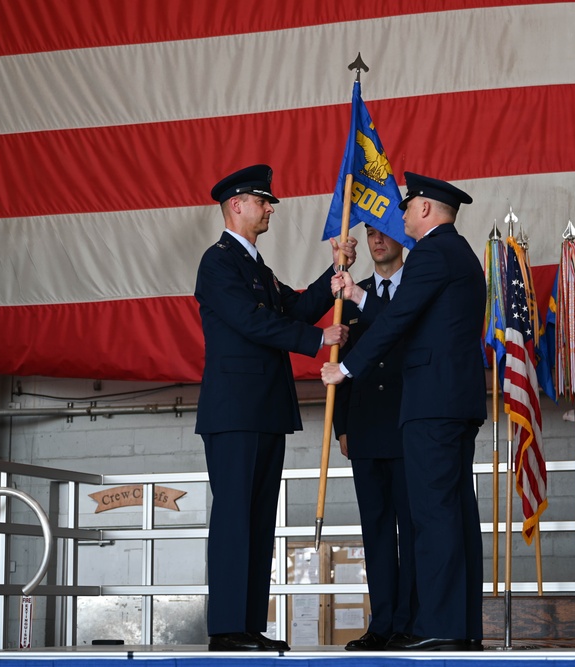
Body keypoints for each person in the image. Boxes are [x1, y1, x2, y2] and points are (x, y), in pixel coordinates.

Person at [321, 172, 486, 651]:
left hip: (432, 404)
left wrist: (345, 369)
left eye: (410, 206)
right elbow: (413, 312)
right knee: (455, 514)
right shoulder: (458, 253)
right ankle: (461, 626)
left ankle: (438, 626)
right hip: (453, 401)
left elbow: (399, 318)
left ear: (428, 211)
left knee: (433, 517)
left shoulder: (432, 252)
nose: (404, 214)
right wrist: (355, 296)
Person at [195, 164, 356, 652]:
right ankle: (226, 627)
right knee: (234, 520)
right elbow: (250, 321)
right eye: (263, 201)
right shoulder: (218, 262)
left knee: (259, 520)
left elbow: (294, 306)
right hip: (234, 411)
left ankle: (246, 625)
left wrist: (335, 274)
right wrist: (315, 340)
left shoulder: (256, 268)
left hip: (261, 409)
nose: (270, 208)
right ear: (236, 205)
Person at [332, 225, 417, 651]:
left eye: (385, 232)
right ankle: (382, 622)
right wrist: (342, 426)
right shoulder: (352, 293)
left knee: (412, 528)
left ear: (401, 238)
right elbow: (342, 361)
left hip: (406, 427)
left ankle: (408, 621)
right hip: (365, 429)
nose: (377, 241)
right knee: (377, 531)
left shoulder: (417, 288)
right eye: (370, 234)